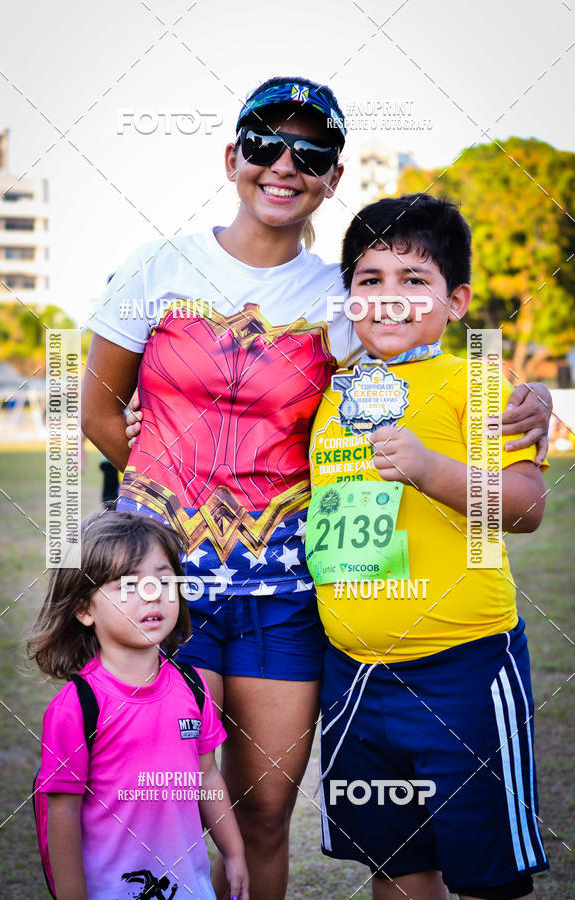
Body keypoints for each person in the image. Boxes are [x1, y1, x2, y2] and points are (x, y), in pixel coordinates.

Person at [81, 75, 552, 900]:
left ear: (334, 177)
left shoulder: (340, 304)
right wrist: (157, 493)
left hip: (286, 597)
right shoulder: (160, 266)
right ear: (233, 157)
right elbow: (94, 399)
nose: (284, 163)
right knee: (160, 804)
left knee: (264, 814)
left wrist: (524, 394)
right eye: (265, 143)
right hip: (166, 592)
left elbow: (422, 357)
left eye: (312, 151)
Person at [309, 195, 549, 900]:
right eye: (369, 279)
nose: (388, 298)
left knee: (483, 875)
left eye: (414, 279)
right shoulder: (335, 392)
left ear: (456, 301)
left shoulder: (471, 381)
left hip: (462, 672)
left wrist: (429, 470)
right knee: (397, 865)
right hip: (353, 677)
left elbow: (527, 505)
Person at [28, 510, 248, 900]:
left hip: (189, 887)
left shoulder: (194, 688)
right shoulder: (77, 708)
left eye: (164, 580)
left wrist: (233, 853)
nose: (153, 594)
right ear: (84, 609)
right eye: (128, 584)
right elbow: (60, 812)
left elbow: (207, 777)